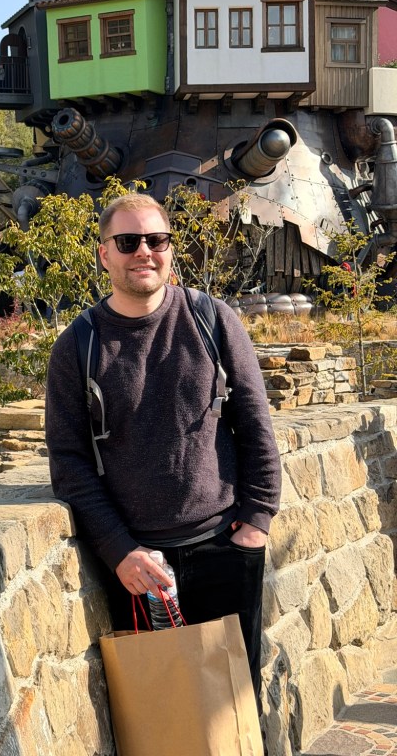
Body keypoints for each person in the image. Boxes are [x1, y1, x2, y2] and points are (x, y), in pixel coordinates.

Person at [45, 192, 280, 705]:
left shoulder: (211, 319)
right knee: (162, 713)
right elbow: (68, 463)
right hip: (138, 568)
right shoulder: (77, 346)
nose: (144, 252)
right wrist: (119, 551)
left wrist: (257, 522)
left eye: (156, 240)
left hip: (224, 545)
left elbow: (255, 423)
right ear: (104, 253)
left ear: (171, 249)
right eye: (128, 241)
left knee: (236, 706)